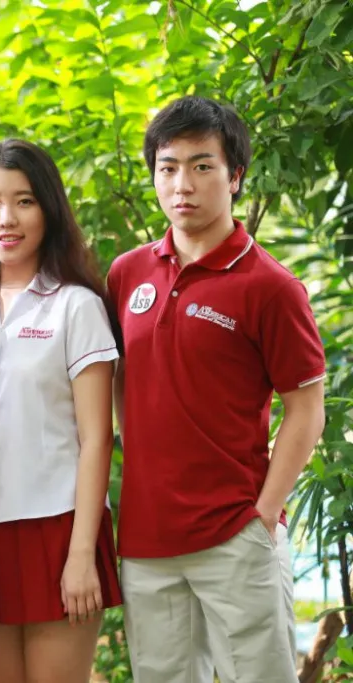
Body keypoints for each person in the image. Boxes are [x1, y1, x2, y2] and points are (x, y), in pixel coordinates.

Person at [107, 95, 326, 683]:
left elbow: (306, 410)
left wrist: (265, 512)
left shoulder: (272, 287)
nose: (183, 183)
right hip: (147, 542)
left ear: (235, 177)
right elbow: (119, 387)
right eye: (168, 166)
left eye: (202, 166)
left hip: (236, 534)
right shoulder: (126, 274)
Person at [0, 139, 122, 682]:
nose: (6, 218)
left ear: (48, 208)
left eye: (23, 201)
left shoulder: (77, 306)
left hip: (58, 531)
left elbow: (98, 439)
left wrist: (80, 555)